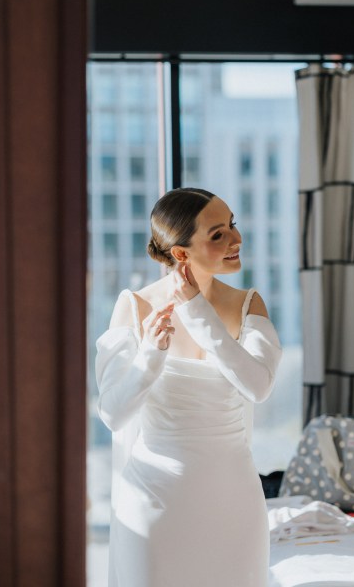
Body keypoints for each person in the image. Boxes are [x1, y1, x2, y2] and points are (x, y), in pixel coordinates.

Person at [95, 187, 283, 587]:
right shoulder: (135, 307)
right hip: (153, 500)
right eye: (218, 234)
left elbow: (258, 386)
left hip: (234, 503)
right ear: (180, 254)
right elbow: (113, 415)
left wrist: (198, 313)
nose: (237, 239)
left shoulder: (250, 304)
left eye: (232, 224)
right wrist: (150, 353)